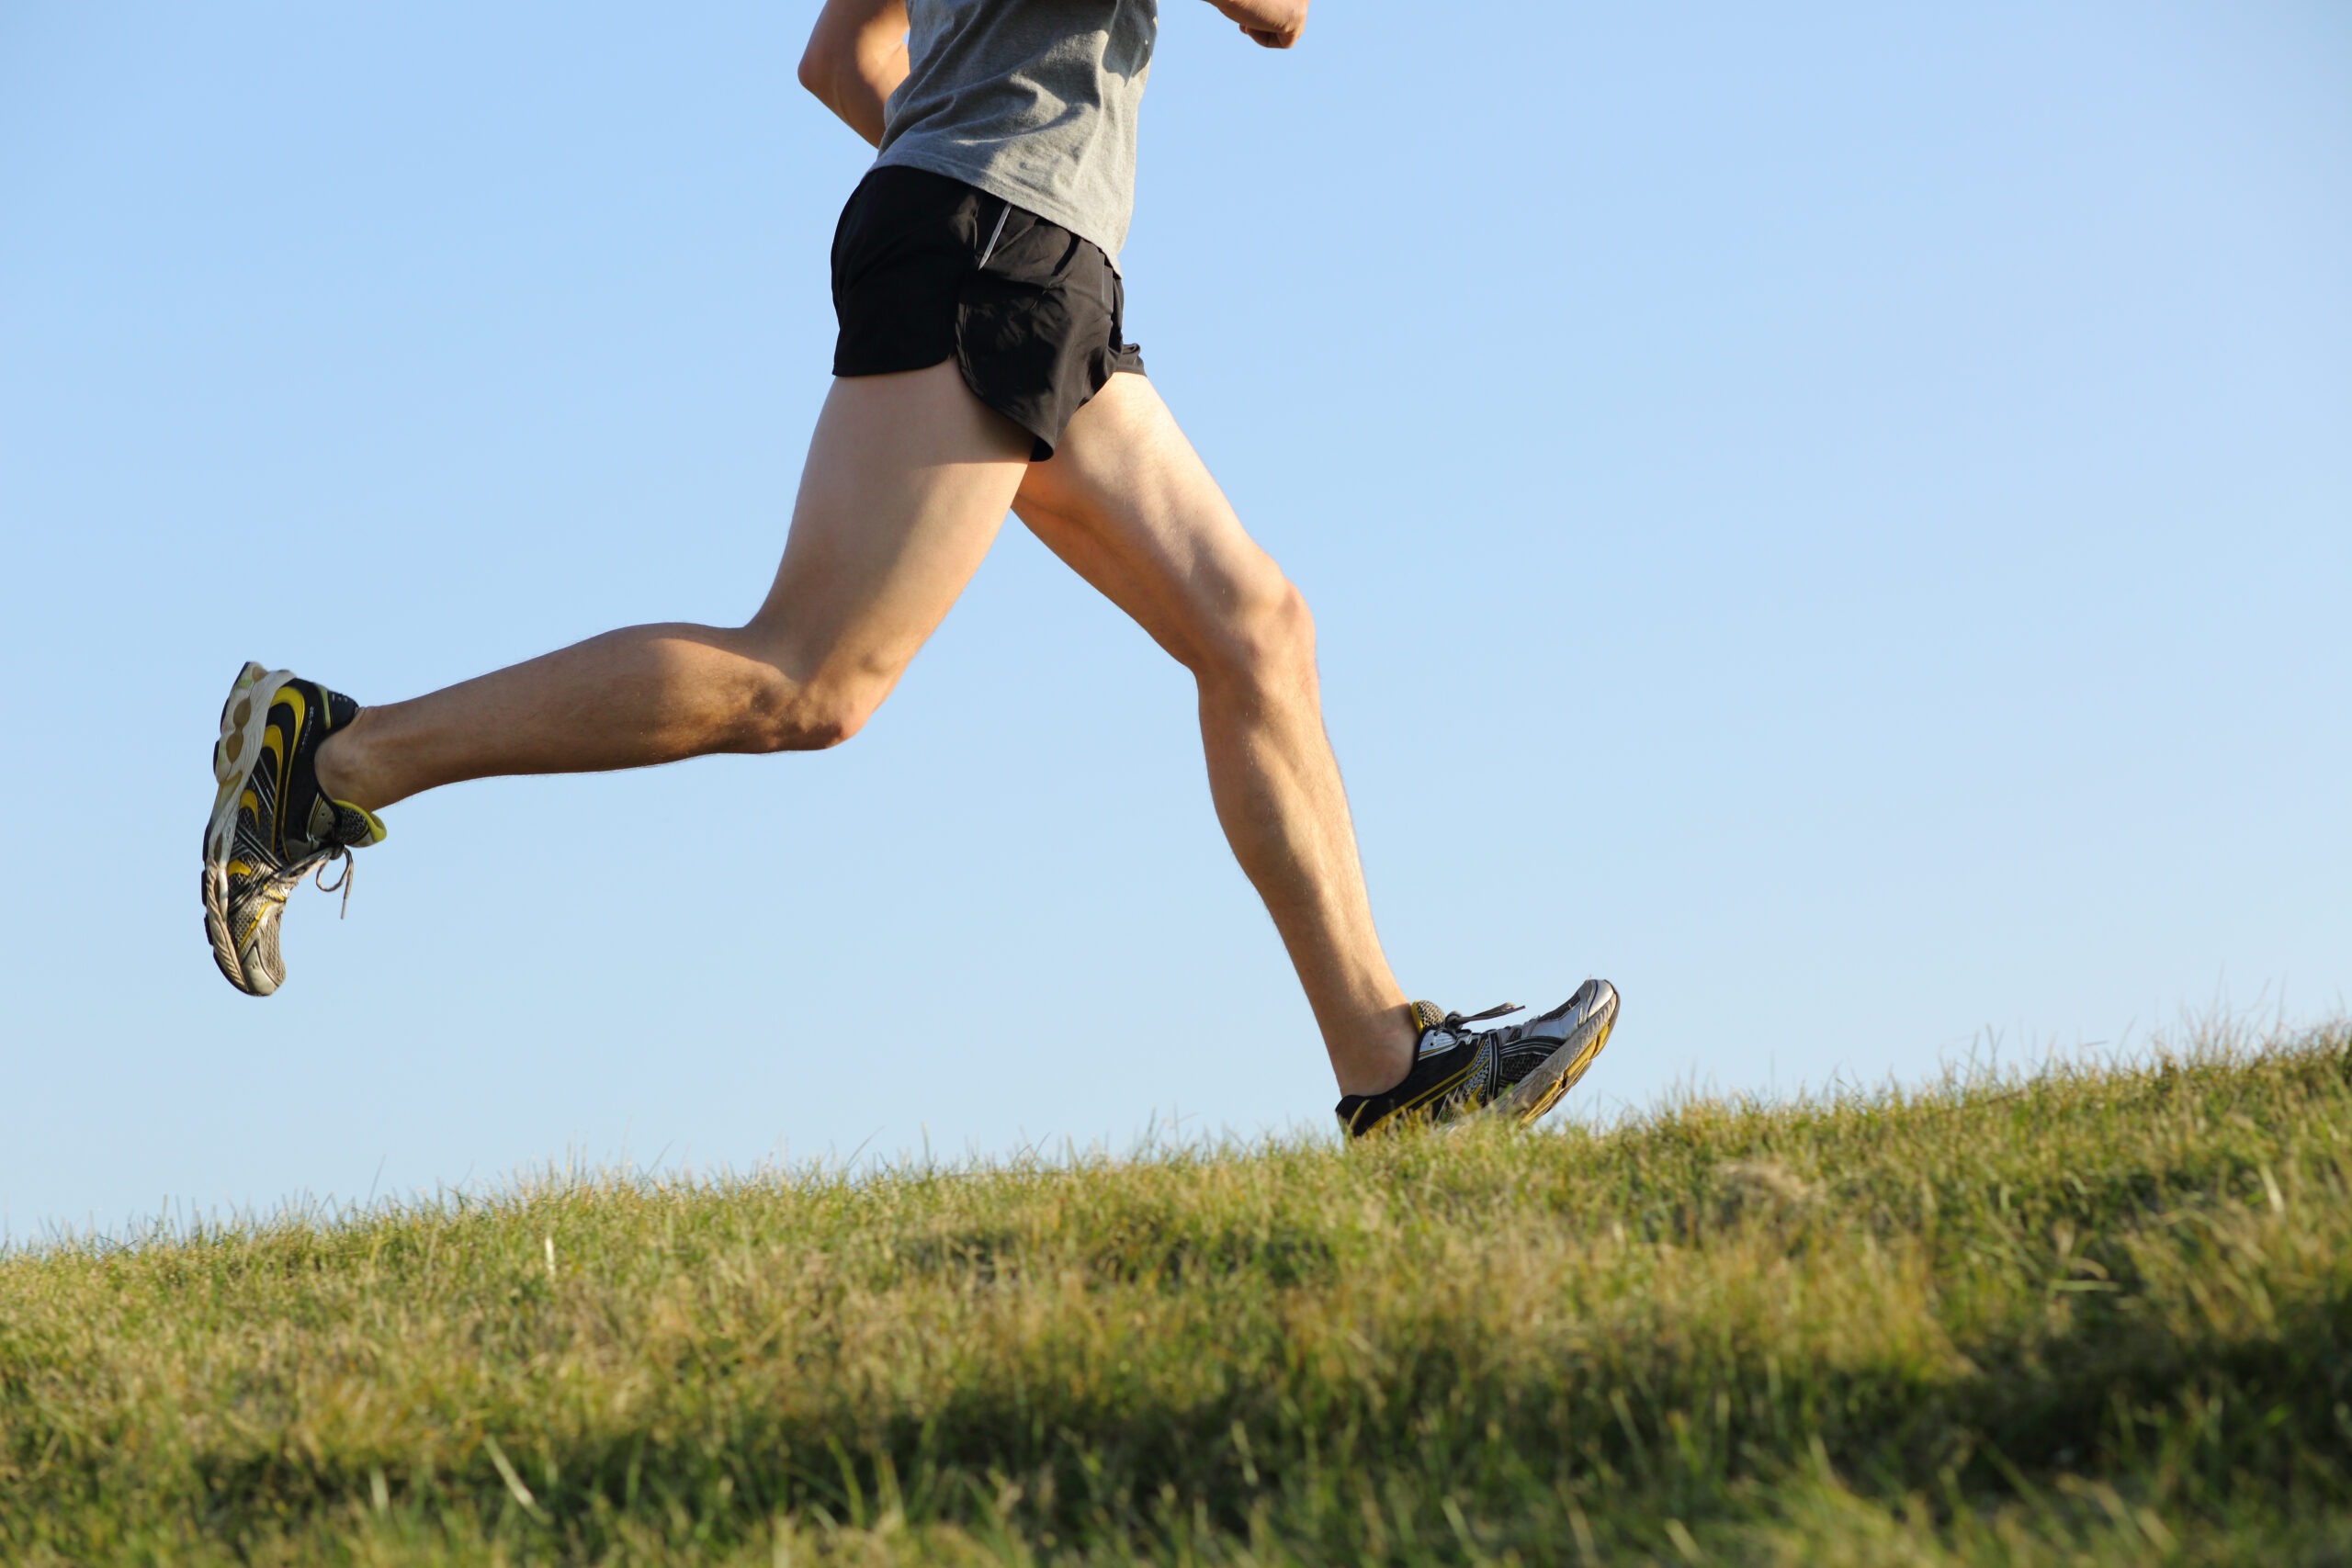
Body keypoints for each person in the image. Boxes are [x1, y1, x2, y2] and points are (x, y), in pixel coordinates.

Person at [199, 0, 1619, 1137]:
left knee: (1255, 629)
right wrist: (966, 172)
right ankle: (333, 761)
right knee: (811, 677)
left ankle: (1391, 1067)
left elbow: (842, 60)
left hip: (1013, 244)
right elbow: (1283, 12)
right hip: (992, 247)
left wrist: (948, 151)